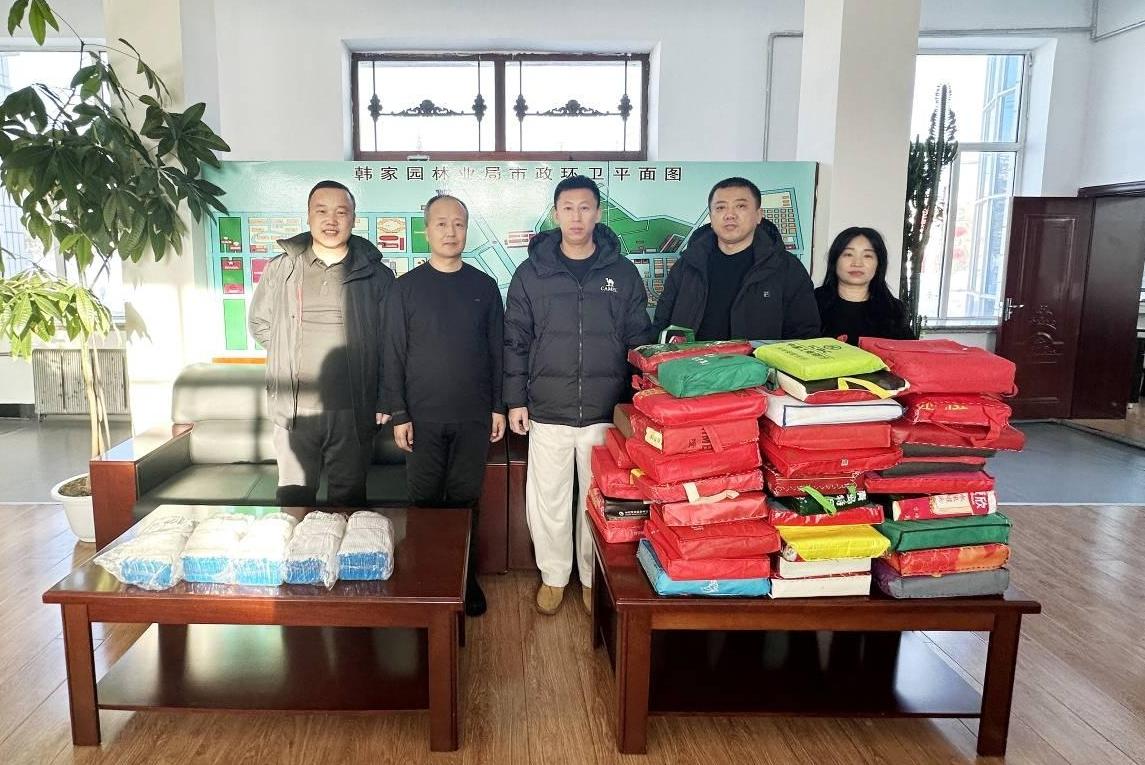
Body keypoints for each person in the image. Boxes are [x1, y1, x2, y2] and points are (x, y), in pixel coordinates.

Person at [504, 175, 653, 616]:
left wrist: (638, 404)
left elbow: (639, 340)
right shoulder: (531, 274)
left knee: (598, 500)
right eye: (567, 208)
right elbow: (515, 340)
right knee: (547, 500)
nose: (576, 216)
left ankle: (592, 578)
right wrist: (515, 399)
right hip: (548, 408)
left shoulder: (622, 273)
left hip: (606, 410)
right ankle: (553, 577)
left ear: (598, 214)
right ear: (555, 214)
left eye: (585, 207)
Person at [382, 194, 505, 617]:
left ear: (466, 230)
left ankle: (465, 579)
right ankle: (427, 579)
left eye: (458, 224)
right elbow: (393, 353)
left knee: (466, 501)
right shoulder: (405, 288)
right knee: (425, 502)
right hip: (422, 419)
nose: (450, 232)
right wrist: (399, 413)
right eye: (441, 223)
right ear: (426, 231)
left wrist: (499, 406)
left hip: (473, 417)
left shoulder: (484, 287)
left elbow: (497, 351)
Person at [249, 180, 395, 507]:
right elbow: (260, 322)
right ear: (308, 216)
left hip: (354, 411)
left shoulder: (378, 276)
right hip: (294, 409)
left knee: (348, 502)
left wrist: (385, 398)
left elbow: (391, 342)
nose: (331, 220)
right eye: (322, 211)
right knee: (294, 500)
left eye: (341, 212)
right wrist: (287, 349)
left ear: (354, 219)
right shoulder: (282, 268)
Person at [652, 176, 819, 341]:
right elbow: (661, 326)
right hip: (691, 359)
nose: (730, 215)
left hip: (757, 360)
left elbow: (804, 334)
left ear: (758, 215)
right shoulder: (687, 265)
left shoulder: (786, 268)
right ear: (711, 217)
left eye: (740, 206)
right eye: (720, 207)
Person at [815, 227, 916, 344]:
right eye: (848, 254)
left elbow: (910, 352)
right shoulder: (812, 304)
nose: (857, 263)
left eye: (867, 256)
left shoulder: (894, 310)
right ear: (834, 260)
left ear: (879, 264)